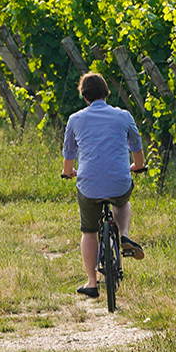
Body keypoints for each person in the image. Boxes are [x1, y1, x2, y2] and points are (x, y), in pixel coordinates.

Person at [60, 73, 146, 299]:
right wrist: (137, 166)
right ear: (106, 93)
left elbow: (69, 154)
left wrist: (68, 173)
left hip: (88, 185)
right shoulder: (123, 116)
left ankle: (91, 282)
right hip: (119, 180)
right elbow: (136, 146)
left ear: (84, 97)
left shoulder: (75, 119)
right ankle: (124, 235)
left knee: (89, 231)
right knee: (122, 200)